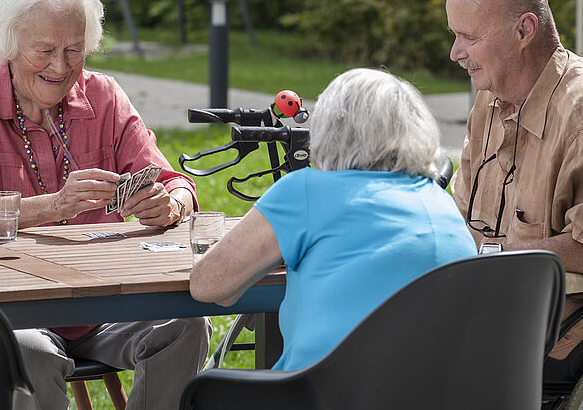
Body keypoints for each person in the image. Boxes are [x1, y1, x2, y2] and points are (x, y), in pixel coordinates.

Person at [0, 0, 211, 409]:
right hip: (13, 312)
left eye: (75, 50)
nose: (61, 66)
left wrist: (171, 205)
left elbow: (176, 184)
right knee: (29, 353)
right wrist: (53, 206)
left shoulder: (103, 96)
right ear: (9, 45)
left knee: (186, 324)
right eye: (45, 50)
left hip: (105, 306)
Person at [190, 67, 477, 370]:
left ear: (328, 132)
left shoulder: (304, 192)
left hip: (318, 393)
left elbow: (208, 286)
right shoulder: (442, 204)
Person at [446, 0, 583, 358]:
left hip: (543, 341)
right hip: (474, 308)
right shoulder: (489, 97)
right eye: (454, 36)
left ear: (524, 30)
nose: (455, 53)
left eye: (468, 37)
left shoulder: (577, 115)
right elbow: (461, 208)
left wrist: (489, 259)